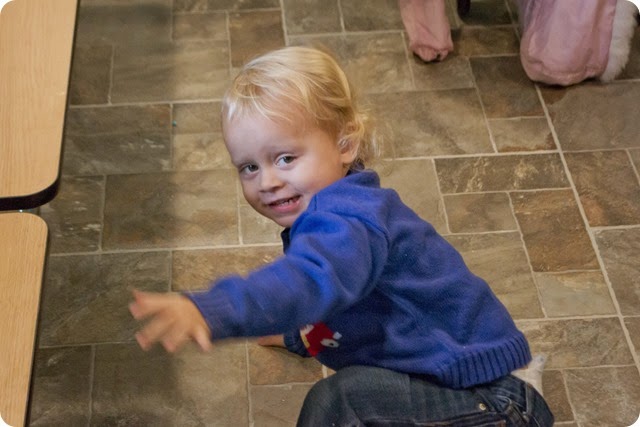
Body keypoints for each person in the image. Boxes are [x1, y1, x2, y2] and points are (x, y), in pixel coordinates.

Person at [129, 46, 554, 426]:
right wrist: (297, 334)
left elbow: (310, 281)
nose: (268, 181)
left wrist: (214, 309)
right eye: (249, 167)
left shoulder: (350, 220)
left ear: (345, 144)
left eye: (285, 157)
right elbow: (343, 298)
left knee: (341, 402)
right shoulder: (336, 209)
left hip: (494, 401)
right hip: (454, 384)